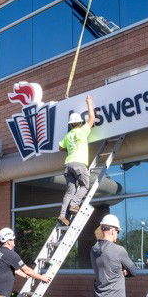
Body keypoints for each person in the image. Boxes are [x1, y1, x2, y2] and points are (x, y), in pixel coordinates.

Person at [58, 96, 95, 225]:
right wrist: (89, 103)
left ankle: (63, 215)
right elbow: (91, 119)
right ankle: (74, 205)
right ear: (80, 122)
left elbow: (60, 147)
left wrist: (69, 147)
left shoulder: (68, 135)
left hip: (68, 164)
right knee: (85, 185)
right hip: (79, 163)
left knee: (70, 191)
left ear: (71, 124)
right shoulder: (83, 131)